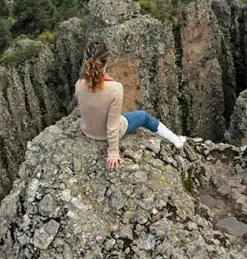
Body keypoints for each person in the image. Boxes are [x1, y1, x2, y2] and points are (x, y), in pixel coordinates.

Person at [75, 40, 186, 171]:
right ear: (107, 60)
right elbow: (112, 125)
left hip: (88, 131)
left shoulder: (79, 84)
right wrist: (113, 152)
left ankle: (175, 139)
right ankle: (176, 140)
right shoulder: (115, 88)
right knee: (144, 116)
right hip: (107, 132)